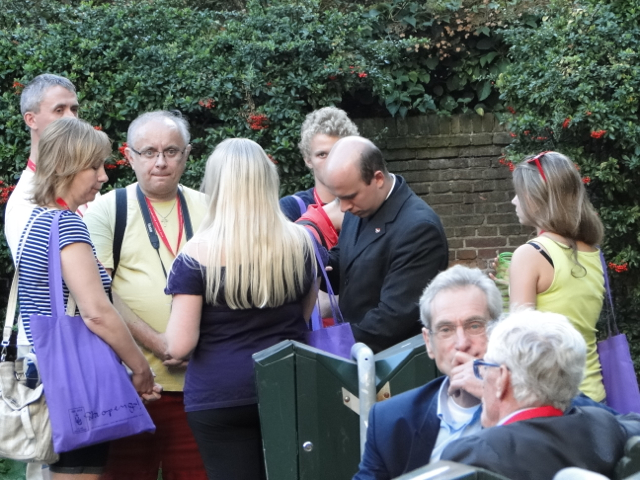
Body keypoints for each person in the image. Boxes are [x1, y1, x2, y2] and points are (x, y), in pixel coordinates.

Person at [164, 138, 318, 480]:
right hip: (289, 385)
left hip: (220, 396)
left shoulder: (195, 255)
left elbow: (180, 345)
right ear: (268, 180)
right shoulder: (302, 243)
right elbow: (304, 315)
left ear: (216, 185)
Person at [15, 117, 157, 479]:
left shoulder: (36, 221)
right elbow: (97, 313)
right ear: (66, 166)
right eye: (94, 167)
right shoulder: (66, 224)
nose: (103, 176)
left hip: (46, 377)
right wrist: (141, 368)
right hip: (76, 382)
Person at [83, 111, 208, 480]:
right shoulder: (108, 209)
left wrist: (190, 344)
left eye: (171, 151)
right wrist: (159, 342)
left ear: (187, 154)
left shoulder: (212, 208)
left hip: (200, 388)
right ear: (129, 156)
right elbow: (99, 293)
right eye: (149, 152)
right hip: (130, 388)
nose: (161, 162)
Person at [441, 310, 640, 480]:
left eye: (485, 367)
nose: (482, 377)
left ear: (502, 378)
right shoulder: (604, 426)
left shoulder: (473, 454)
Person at [353, 265, 500, 480]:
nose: (462, 343)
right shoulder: (391, 420)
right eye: (446, 330)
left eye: (474, 325)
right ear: (429, 343)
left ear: (499, 331)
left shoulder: (532, 407)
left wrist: (495, 400)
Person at [324, 136, 448, 352]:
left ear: (378, 179)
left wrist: (329, 344)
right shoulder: (361, 206)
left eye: (350, 196)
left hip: (393, 362)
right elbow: (344, 265)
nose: (343, 208)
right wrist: (311, 260)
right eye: (339, 198)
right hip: (360, 355)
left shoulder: (419, 229)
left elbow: (392, 319)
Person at [508, 151, 606, 402]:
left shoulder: (530, 254)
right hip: (594, 395)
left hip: (554, 400)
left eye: (519, 193)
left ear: (536, 198)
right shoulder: (592, 251)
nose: (513, 201)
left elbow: (519, 343)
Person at [5, 74, 80, 257]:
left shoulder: (85, 183)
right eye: (59, 110)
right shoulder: (24, 202)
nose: (72, 118)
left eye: (74, 109)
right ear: (31, 120)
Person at [279, 106, 359, 221]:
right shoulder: (292, 208)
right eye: (322, 155)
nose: (331, 162)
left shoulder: (366, 206)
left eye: (338, 152)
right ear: (308, 160)